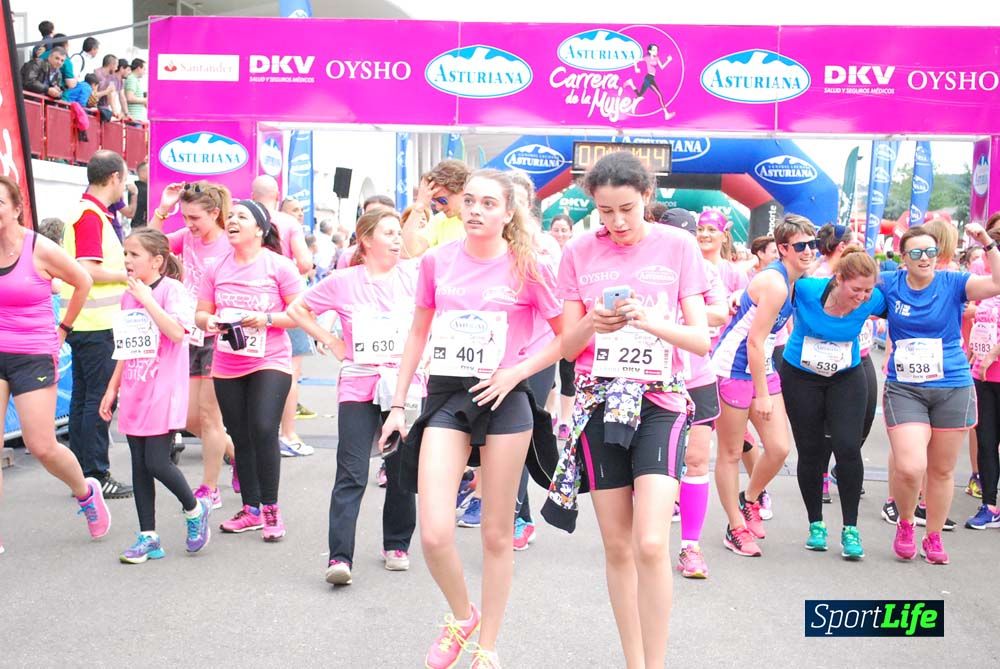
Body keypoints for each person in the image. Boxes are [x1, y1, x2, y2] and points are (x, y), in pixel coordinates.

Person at [378, 169, 562, 669]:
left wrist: (516, 371)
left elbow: (567, 336)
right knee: (435, 532)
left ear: (508, 213)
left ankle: (488, 646)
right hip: (446, 396)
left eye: (488, 203)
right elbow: (417, 333)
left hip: (505, 398)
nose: (477, 210)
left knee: (497, 534)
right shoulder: (437, 262)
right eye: (470, 201)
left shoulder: (529, 266)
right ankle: (463, 617)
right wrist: (398, 404)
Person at [548, 151, 708, 666]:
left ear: (647, 198)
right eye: (605, 212)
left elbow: (701, 340)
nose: (616, 223)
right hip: (598, 405)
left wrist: (646, 321)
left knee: (650, 543)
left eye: (627, 210)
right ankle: (633, 662)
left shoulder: (679, 245)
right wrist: (595, 322)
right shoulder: (577, 251)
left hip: (661, 400)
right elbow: (567, 349)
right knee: (618, 547)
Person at [287, 207, 419, 584]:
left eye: (399, 233)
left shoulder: (412, 276)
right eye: (389, 233)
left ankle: (396, 544)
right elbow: (298, 308)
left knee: (399, 468)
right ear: (366, 240)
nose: (397, 239)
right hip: (358, 382)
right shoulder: (344, 281)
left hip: (404, 383)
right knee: (352, 470)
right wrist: (330, 340)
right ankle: (339, 558)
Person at [0, 175, 110, 553]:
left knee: (42, 445)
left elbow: (82, 281)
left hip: (33, 353)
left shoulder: (39, 248)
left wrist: (63, 328)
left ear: (17, 208)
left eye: (0, 202)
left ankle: (85, 492)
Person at [881, 223, 1000, 564]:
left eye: (930, 252)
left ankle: (933, 537)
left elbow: (997, 282)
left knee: (942, 470)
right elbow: (853, 292)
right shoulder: (890, 284)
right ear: (903, 257)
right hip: (905, 388)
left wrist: (987, 243)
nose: (924, 258)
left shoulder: (954, 282)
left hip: (952, 386)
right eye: (916, 253)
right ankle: (906, 522)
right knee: (910, 466)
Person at [98, 229, 211, 563]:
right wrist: (112, 388)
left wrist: (147, 298)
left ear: (158, 260)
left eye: (134, 255)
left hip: (163, 389)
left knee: (157, 461)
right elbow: (126, 347)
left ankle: (194, 509)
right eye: (126, 255)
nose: (128, 261)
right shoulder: (126, 296)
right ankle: (148, 536)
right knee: (138, 464)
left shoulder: (171, 291)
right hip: (135, 387)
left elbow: (177, 332)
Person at [712, 214, 817, 557]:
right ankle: (735, 527)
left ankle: (750, 499)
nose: (808, 251)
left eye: (811, 245)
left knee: (779, 448)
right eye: (800, 246)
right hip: (734, 367)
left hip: (762, 365)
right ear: (783, 249)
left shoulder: (794, 278)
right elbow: (754, 342)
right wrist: (761, 394)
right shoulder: (776, 284)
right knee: (729, 453)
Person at [195, 200, 302, 541]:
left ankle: (271, 509)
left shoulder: (279, 267)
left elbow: (300, 314)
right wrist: (209, 321)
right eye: (232, 217)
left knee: (262, 427)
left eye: (243, 217)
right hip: (228, 362)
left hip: (269, 358)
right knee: (239, 435)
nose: (233, 222)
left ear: (260, 228)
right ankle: (251, 508)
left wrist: (267, 318)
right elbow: (201, 313)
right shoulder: (216, 267)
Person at [780, 249, 887, 559]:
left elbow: (906, 293)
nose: (862, 297)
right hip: (801, 375)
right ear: (838, 279)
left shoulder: (873, 299)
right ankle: (816, 524)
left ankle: (850, 528)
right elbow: (774, 289)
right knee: (811, 450)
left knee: (848, 447)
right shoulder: (808, 289)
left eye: (868, 290)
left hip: (845, 375)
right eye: (856, 289)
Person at [149, 181, 237, 510]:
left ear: (215, 214)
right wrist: (164, 208)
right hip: (189, 332)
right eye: (185, 217)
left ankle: (209, 487)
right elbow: (150, 243)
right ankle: (236, 453)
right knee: (187, 418)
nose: (189, 225)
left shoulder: (230, 243)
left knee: (210, 414)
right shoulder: (186, 239)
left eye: (195, 218)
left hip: (218, 333)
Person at [660, 207, 730, 579]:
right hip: (652, 377)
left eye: (689, 237)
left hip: (697, 376)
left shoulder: (708, 271)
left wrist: (677, 315)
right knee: (648, 467)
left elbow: (720, 313)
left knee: (698, 460)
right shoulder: (647, 269)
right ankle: (645, 541)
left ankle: (690, 547)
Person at [63, 151, 133, 498]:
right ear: (114, 179)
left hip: (86, 320)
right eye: (126, 179)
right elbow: (87, 269)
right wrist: (125, 274)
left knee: (83, 399)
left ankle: (82, 473)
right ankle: (95, 473)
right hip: (96, 322)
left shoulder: (90, 211)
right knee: (98, 399)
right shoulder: (90, 215)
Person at [250, 175, 316, 454]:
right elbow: (305, 262)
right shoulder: (289, 223)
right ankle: (288, 435)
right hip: (285, 303)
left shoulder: (243, 219)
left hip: (249, 301)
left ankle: (250, 436)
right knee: (289, 372)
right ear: (277, 194)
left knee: (247, 371)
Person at [966, 226, 1000, 529]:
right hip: (983, 374)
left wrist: (995, 351)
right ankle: (989, 504)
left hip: (994, 364)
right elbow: (976, 314)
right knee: (987, 440)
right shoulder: (980, 269)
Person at [400, 160, 471, 258]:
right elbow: (406, 252)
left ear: (463, 190)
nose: (438, 207)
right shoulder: (440, 220)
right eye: (434, 201)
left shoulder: (487, 221)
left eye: (442, 200)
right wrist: (420, 205)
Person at [548, 213, 576, 437]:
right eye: (556, 229)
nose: (560, 234)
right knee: (547, 371)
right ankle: (550, 411)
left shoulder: (576, 254)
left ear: (571, 232)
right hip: (545, 321)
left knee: (568, 372)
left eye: (563, 230)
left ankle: (566, 420)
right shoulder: (543, 253)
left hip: (569, 318)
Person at [124, 58, 147, 123]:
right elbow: (130, 98)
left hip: (136, 118)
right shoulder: (132, 79)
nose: (145, 72)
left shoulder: (134, 79)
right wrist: (146, 100)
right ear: (139, 68)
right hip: (133, 118)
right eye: (144, 69)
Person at [128, 162, 149, 228]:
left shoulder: (134, 187)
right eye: (149, 171)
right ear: (142, 172)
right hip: (141, 225)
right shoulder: (139, 188)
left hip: (137, 224)